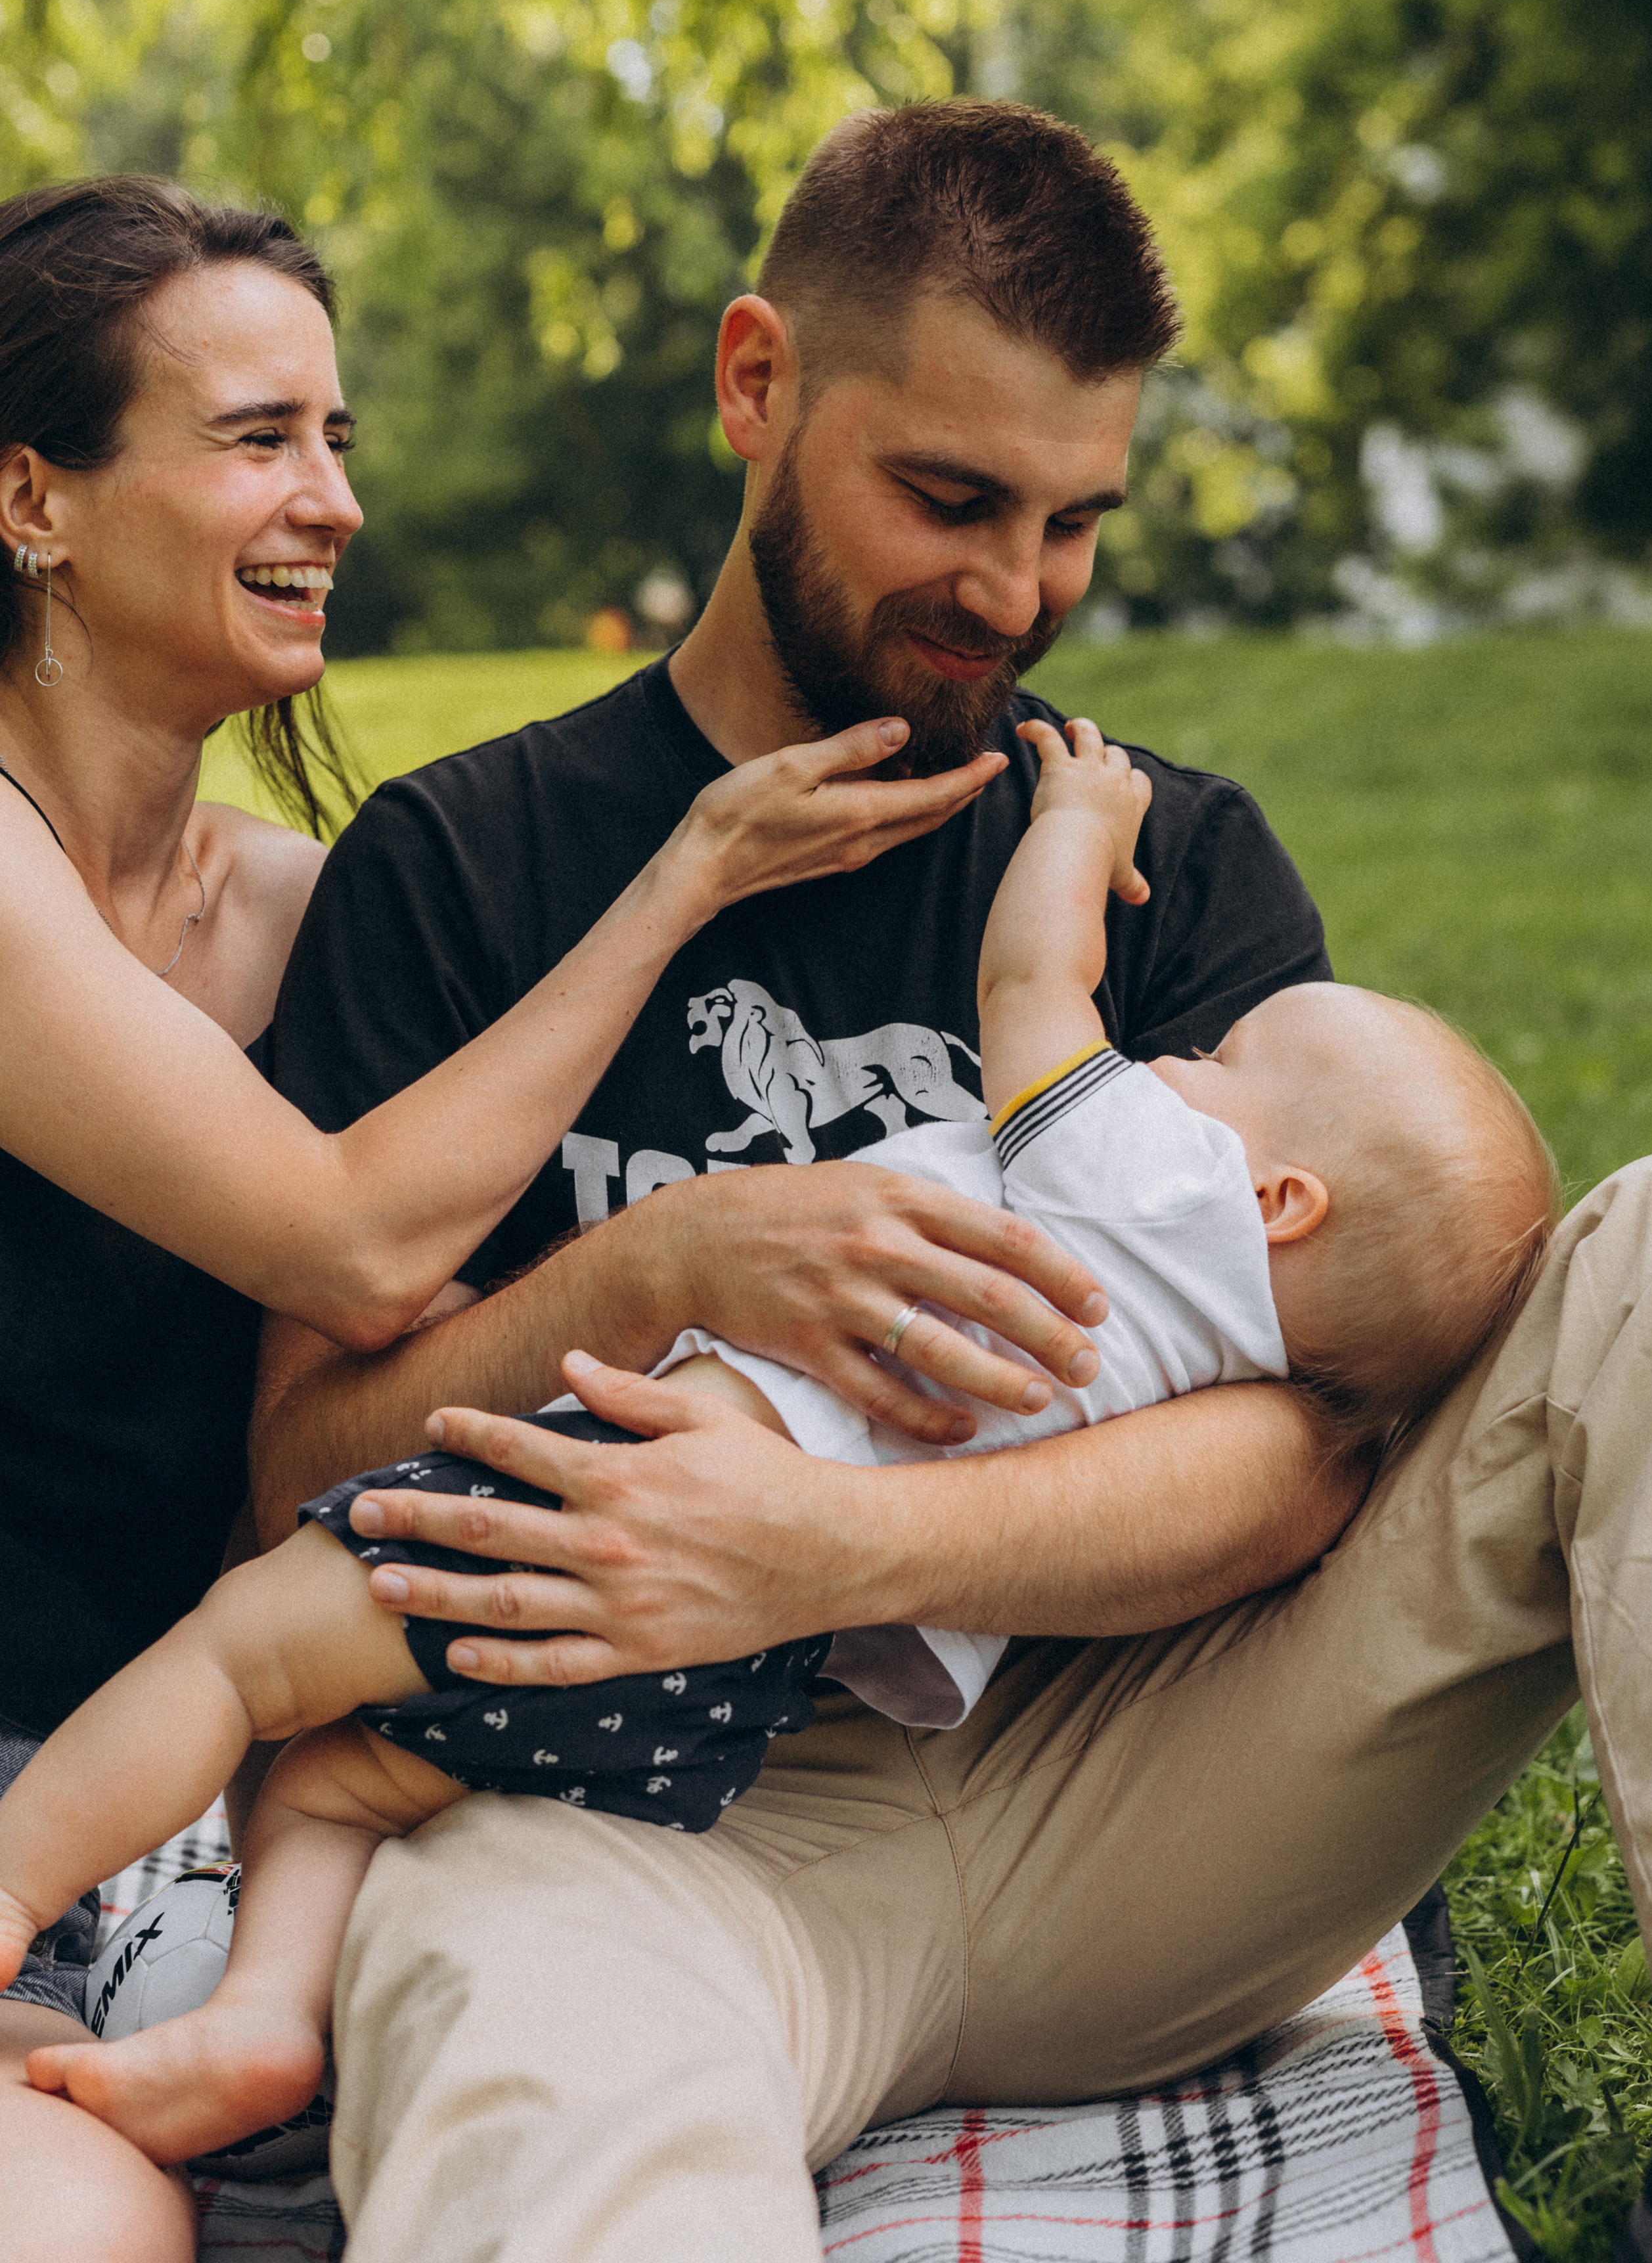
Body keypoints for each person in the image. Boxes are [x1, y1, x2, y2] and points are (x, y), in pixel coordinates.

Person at [246, 101, 1652, 2263]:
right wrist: (664, 1264)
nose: (1016, 595)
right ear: (758, 382)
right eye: (949, 498)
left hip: (1158, 1778)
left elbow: (1305, 1461)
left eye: (1073, 520)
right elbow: (294, 1483)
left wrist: (830, 1545)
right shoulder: (464, 867)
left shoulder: (1152, 854)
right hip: (640, 1833)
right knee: (542, 2123)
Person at [0, 172, 1123, 2263]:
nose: (332, 499)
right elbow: (355, 1246)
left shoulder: (303, 904)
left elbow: (394, 1372)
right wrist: (684, 877)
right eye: (256, 439)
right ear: (31, 500)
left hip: (177, 1781)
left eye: (338, 436)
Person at [0, 713, 1559, 2174]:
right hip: (728, 1684)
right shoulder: (1223, 1346)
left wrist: (1077, 831)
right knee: (344, 1784)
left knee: (236, 1660)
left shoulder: (1147, 1184)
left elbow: (1032, 984)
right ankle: (264, 2022)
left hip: (612, 1519)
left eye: (1223, 1070)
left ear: (1274, 1201)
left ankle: (16, 1886)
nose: (1177, 1063)